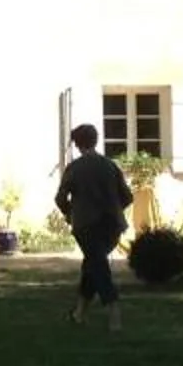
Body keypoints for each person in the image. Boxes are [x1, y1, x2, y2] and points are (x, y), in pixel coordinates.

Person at [53, 122, 133, 331]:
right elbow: (127, 197)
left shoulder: (75, 168)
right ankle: (79, 313)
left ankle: (114, 313)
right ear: (96, 140)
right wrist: (115, 209)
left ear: (77, 144)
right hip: (111, 225)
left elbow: (60, 198)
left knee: (98, 266)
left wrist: (71, 213)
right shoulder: (110, 165)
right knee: (94, 263)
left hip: (86, 225)